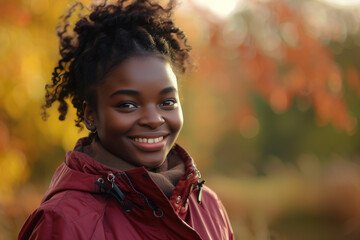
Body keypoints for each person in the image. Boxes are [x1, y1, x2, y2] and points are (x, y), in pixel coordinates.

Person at [19, 0, 234, 239]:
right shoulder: (64, 222)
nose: (154, 119)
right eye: (128, 105)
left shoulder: (209, 207)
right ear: (91, 115)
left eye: (167, 102)